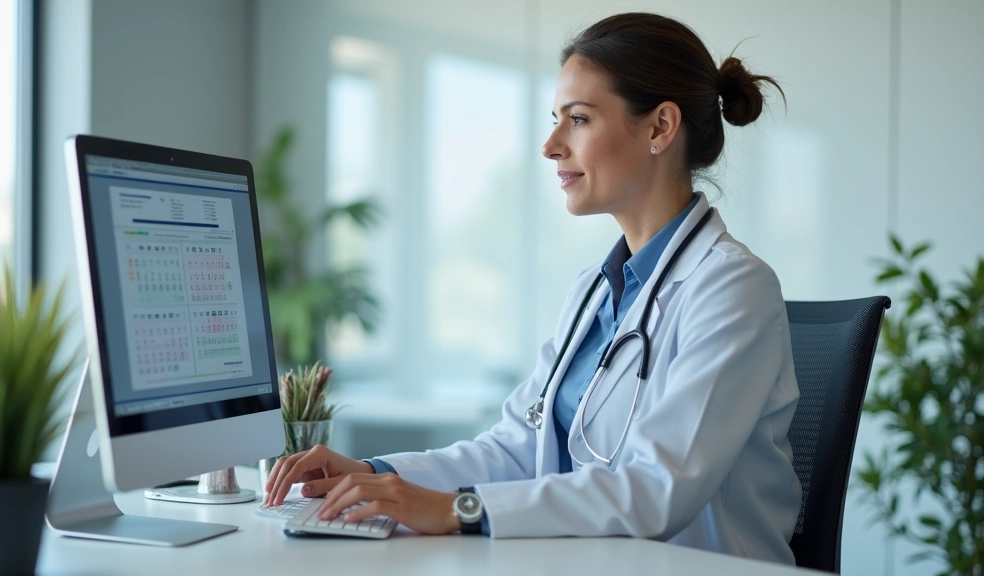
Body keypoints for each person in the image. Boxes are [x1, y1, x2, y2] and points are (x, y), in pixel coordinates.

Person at [265, 12, 802, 564]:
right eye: (556, 119)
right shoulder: (594, 292)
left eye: (579, 119)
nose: (550, 145)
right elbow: (517, 447)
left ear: (660, 128)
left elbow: (655, 489)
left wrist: (458, 510)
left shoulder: (733, 288)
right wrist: (378, 474)